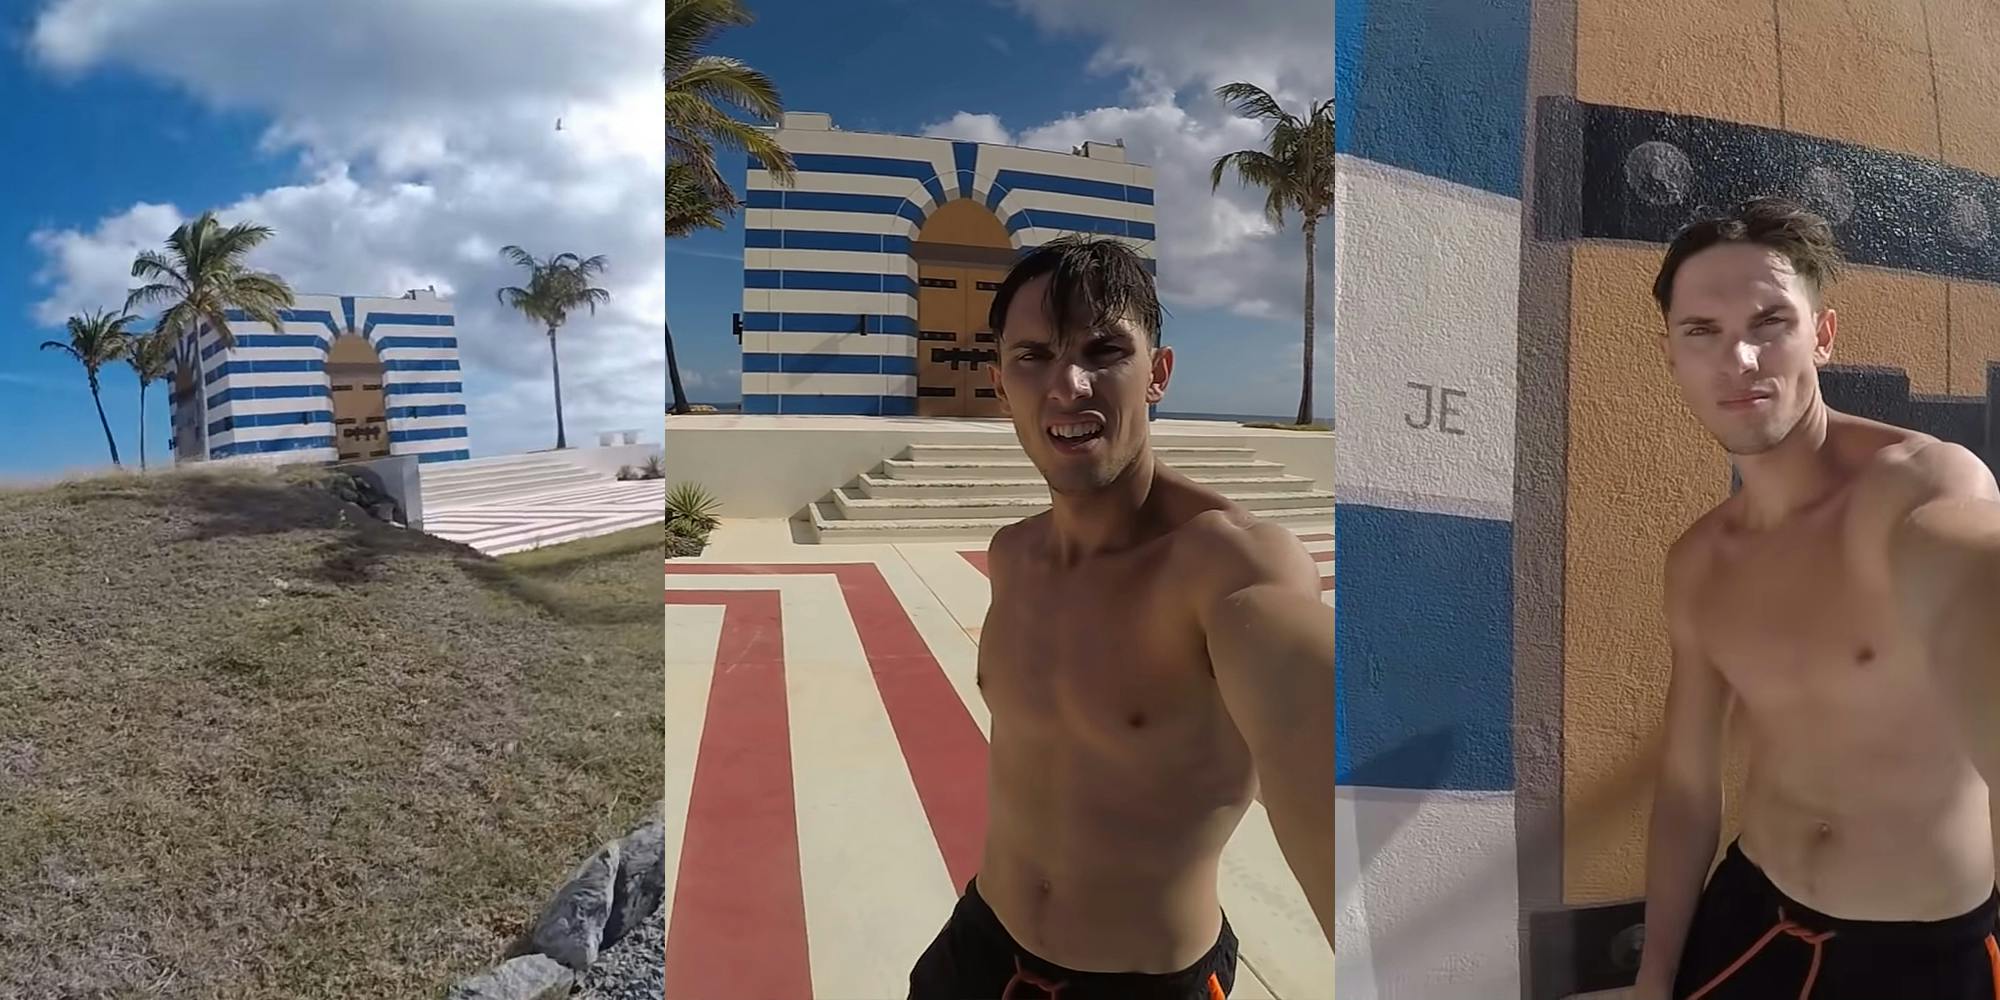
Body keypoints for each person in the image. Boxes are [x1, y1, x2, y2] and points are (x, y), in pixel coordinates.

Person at [905, 236, 1335, 1000]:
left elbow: (1326, 744)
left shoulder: (1229, 565)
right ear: (1002, 386)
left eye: (1103, 350)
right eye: (1033, 356)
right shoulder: (1013, 555)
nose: (1068, 385)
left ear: (1158, 374)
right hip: (977, 949)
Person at [1634, 196, 2000, 999]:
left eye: (1770, 322)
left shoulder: (1921, 486)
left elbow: (1973, 577)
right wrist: (1655, 976)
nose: (1740, 361)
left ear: (1822, 336)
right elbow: (1690, 787)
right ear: (1672, 354)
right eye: (1703, 331)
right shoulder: (1699, 561)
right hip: (1749, 914)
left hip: (1918, 958)